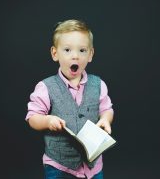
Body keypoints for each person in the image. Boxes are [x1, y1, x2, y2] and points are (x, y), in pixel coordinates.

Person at [25, 19, 114, 179]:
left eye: (82, 50)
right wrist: (47, 121)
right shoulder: (46, 87)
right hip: (59, 166)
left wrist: (106, 120)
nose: (75, 56)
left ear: (90, 54)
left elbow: (107, 109)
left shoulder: (98, 84)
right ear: (55, 53)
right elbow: (32, 118)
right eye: (67, 50)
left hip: (92, 166)